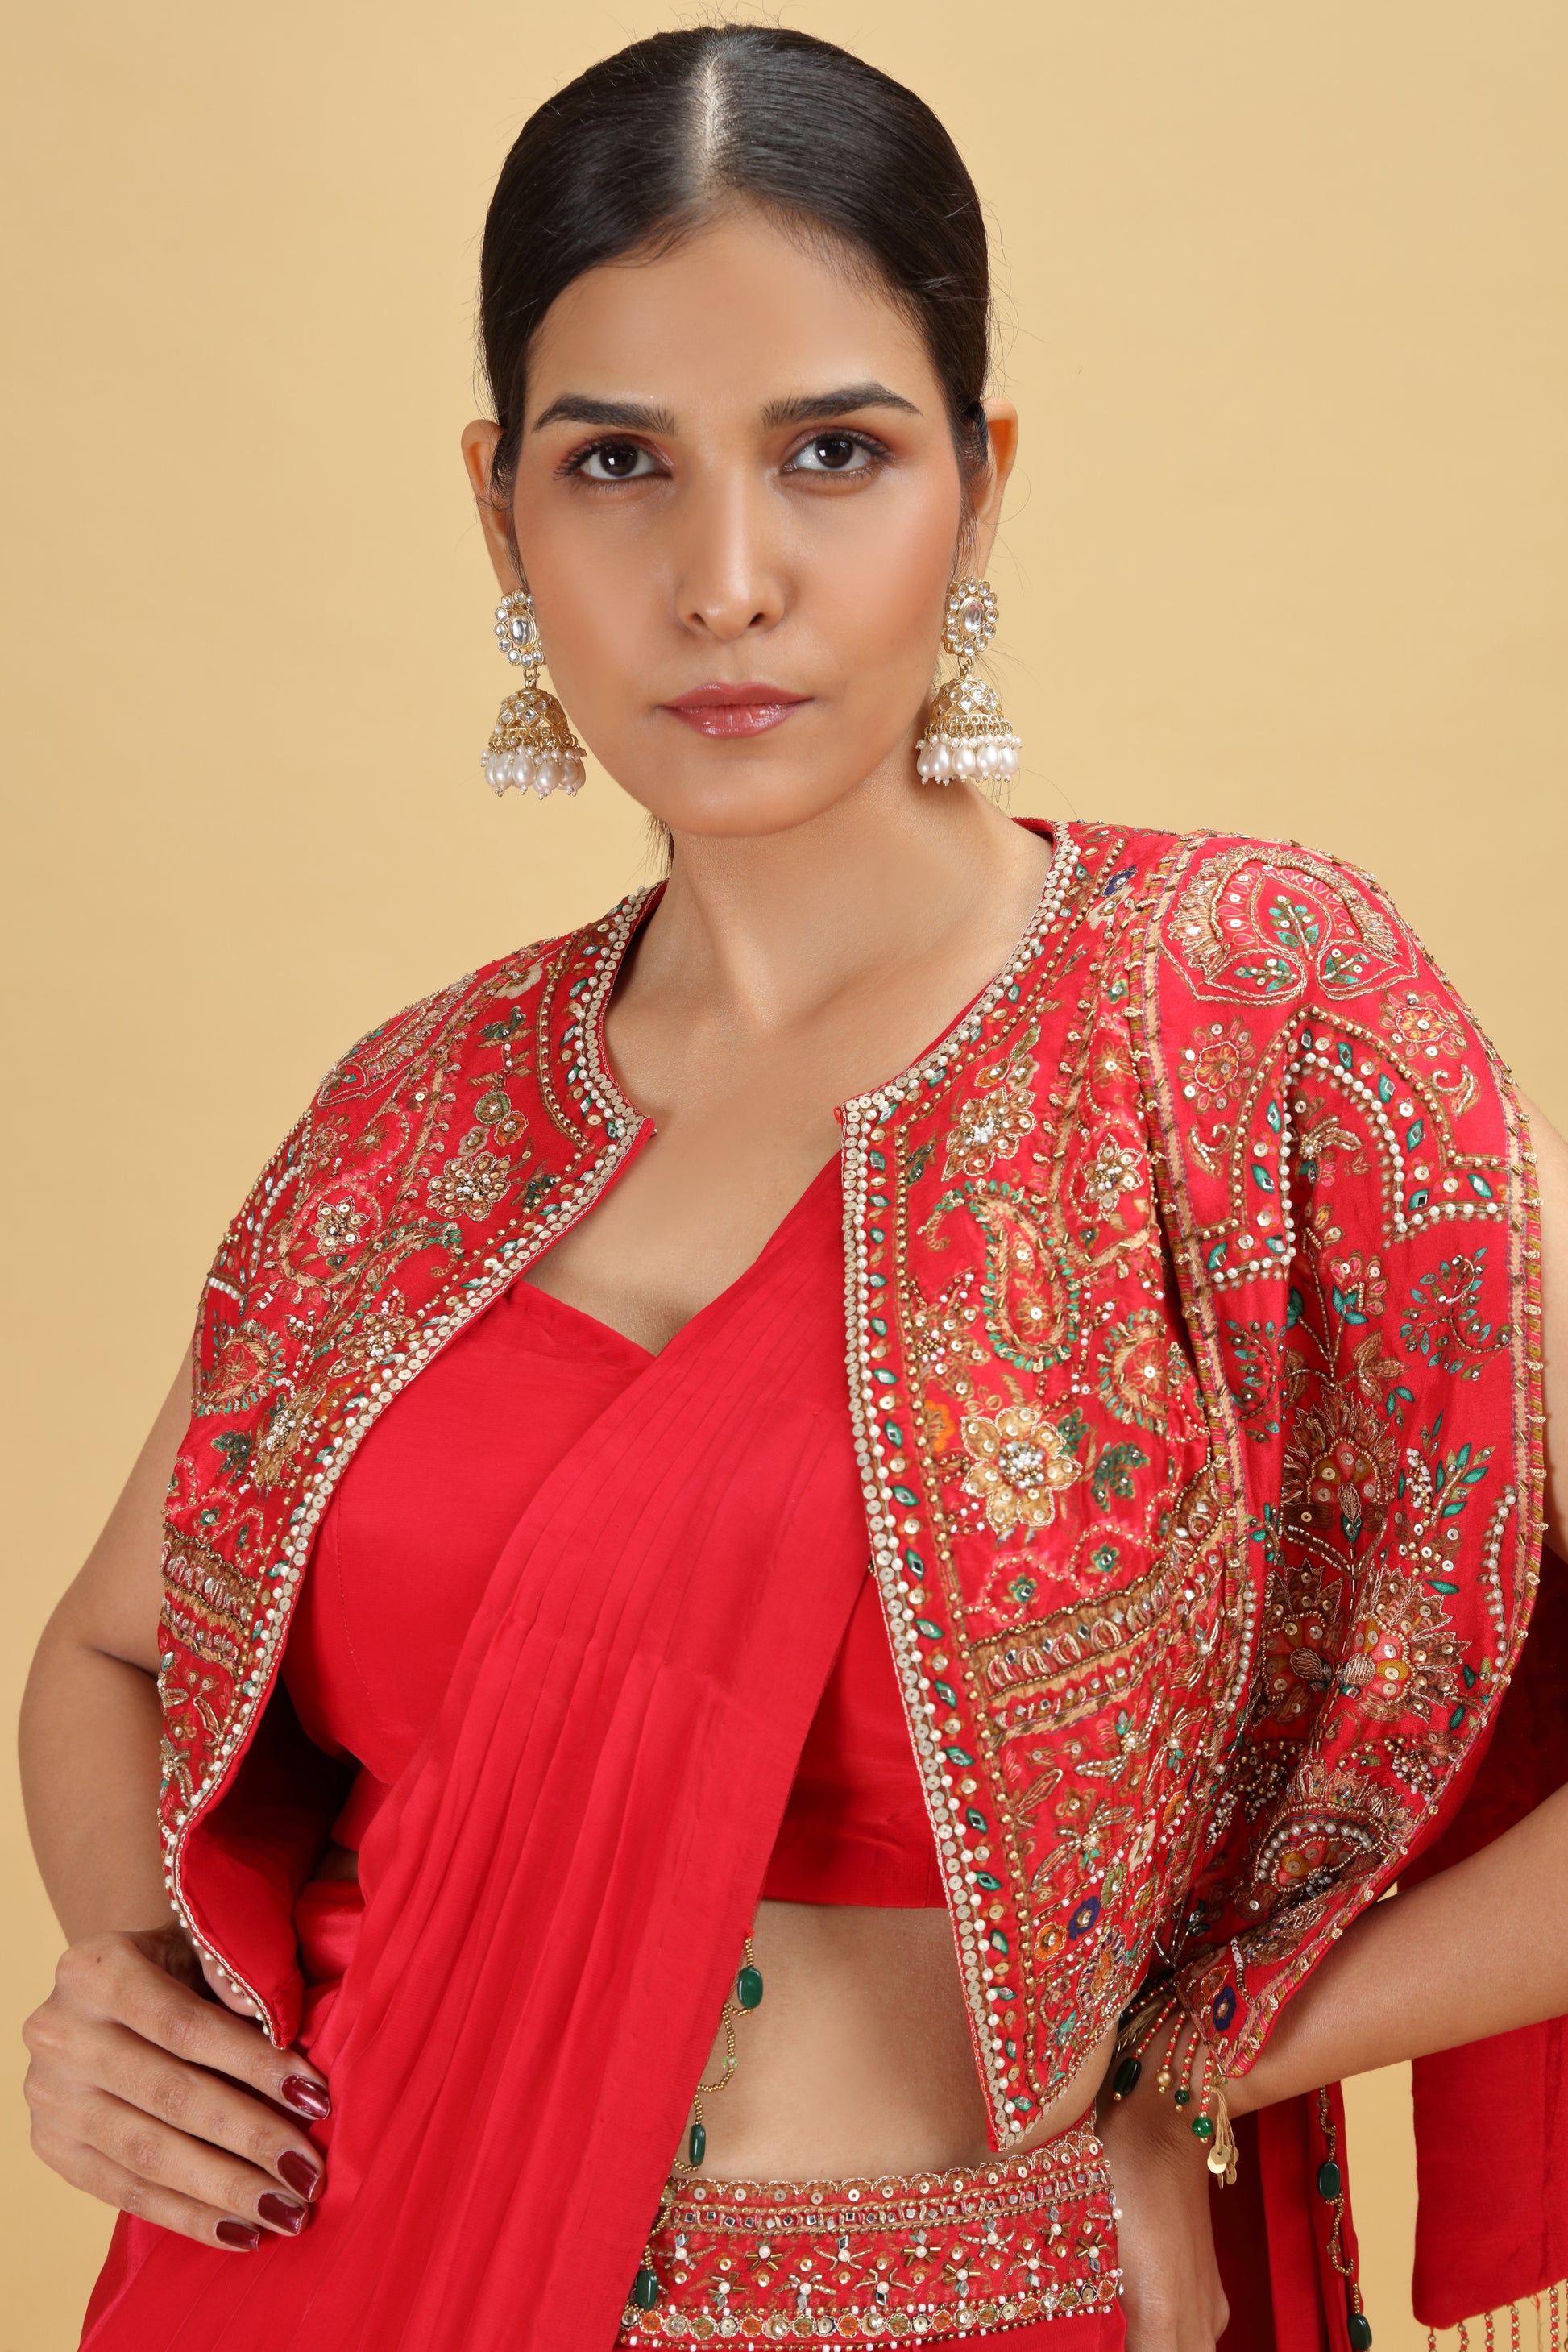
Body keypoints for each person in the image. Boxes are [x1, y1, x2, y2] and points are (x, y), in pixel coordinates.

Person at [17, 26, 1566, 2352]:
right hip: (324, 2281)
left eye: (829, 453)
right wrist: (129, 1976)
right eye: (616, 462)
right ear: (497, 514)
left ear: (979, 483)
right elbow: (114, 1651)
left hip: (960, 2302)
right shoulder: (412, 1113)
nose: (722, 579)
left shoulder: (1247, 1019)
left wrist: (1216, 2053)